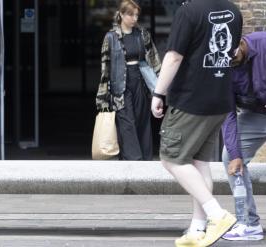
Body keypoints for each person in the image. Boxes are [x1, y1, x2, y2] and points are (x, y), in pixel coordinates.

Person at [150, 0, 243, 246]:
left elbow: (173, 57)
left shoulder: (188, 11)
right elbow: (232, 53)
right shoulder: (233, 10)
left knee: (171, 158)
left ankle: (217, 214)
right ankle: (198, 228)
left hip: (191, 100)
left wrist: (158, 93)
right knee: (199, 162)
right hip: (220, 99)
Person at [220, 32, 266, 241]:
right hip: (254, 114)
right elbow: (228, 114)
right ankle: (249, 224)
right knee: (230, 157)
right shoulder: (222, 66)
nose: (230, 61)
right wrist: (236, 153)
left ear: (240, 41)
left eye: (233, 56)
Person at [96, 0, 161, 160]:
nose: (134, 18)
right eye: (131, 14)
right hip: (120, 86)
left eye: (136, 15)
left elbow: (154, 61)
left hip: (139, 81)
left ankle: (145, 160)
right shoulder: (111, 37)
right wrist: (103, 98)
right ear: (121, 14)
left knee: (142, 121)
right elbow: (105, 69)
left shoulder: (142, 34)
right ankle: (133, 161)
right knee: (127, 123)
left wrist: (160, 88)